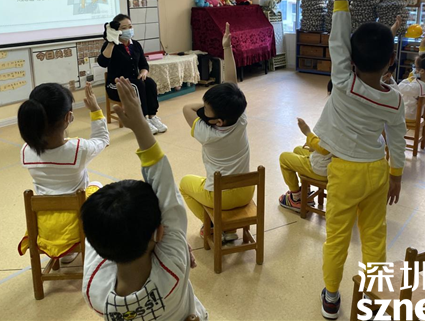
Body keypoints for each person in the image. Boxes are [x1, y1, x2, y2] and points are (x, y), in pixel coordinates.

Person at [313, 0, 406, 319]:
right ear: (390, 62)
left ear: (351, 58)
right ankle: (373, 296)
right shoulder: (394, 99)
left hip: (345, 172)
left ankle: (332, 297)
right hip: (377, 171)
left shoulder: (343, 81)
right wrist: (396, 174)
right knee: (375, 235)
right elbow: (397, 138)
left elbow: (338, 38)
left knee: (337, 236)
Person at [81, 77, 207, 321]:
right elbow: (166, 186)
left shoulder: (92, 292)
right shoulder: (173, 265)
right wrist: (140, 124)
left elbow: (99, 232)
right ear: (159, 233)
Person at [17, 82, 108, 262]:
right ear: (68, 117)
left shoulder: (25, 151)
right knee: (98, 186)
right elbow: (102, 139)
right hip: (75, 223)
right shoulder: (79, 148)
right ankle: (78, 243)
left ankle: (64, 251)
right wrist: (95, 110)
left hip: (45, 226)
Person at [180, 23, 253, 242]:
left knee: (184, 184)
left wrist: (202, 107)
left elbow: (186, 108)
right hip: (246, 191)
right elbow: (232, 81)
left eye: (206, 110)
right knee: (208, 180)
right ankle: (228, 229)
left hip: (221, 196)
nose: (203, 110)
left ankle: (213, 226)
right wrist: (227, 48)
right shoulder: (240, 119)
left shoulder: (207, 133)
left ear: (218, 121)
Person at [97, 14, 167, 135]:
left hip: (135, 81)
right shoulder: (111, 45)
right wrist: (111, 42)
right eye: (124, 28)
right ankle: (142, 120)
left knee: (149, 83)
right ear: (116, 30)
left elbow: (144, 65)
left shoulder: (135, 45)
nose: (128, 30)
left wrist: (144, 72)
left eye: (130, 26)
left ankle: (152, 117)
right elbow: (102, 63)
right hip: (116, 84)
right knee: (137, 86)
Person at [278, 117, 332, 212]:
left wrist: (307, 133)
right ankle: (305, 192)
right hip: (331, 162)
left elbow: (324, 149)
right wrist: (314, 146)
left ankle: (295, 198)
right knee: (297, 150)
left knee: (283, 158)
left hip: (321, 169)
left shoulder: (336, 120)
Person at [397, 52, 425, 124]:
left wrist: (408, 79)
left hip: (408, 114)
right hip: (417, 113)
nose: (413, 69)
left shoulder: (417, 86)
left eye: (415, 67)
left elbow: (399, 87)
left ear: (422, 71)